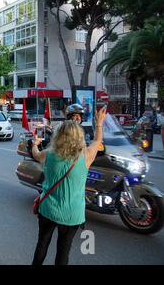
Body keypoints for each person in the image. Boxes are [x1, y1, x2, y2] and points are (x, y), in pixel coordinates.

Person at [31, 106, 107, 265]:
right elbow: (98, 141)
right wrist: (99, 123)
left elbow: (37, 155)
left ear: (58, 135)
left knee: (42, 244)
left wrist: (35, 143)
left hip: (48, 209)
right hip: (72, 214)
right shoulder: (85, 156)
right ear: (79, 136)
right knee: (63, 252)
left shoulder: (49, 154)